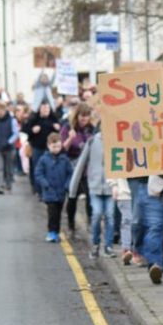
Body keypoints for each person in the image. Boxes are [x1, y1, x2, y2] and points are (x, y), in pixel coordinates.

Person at [71, 128, 115, 259]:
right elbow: (81, 164)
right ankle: (95, 245)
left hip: (111, 187)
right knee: (96, 214)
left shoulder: (116, 140)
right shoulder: (92, 141)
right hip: (95, 187)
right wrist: (73, 190)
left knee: (110, 216)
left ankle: (108, 246)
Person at [61, 102, 95, 238]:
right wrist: (70, 138)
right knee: (72, 197)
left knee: (90, 195)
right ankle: (71, 226)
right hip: (72, 167)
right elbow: (63, 148)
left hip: (87, 167)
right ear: (77, 115)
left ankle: (90, 224)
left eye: (86, 116)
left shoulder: (91, 129)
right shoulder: (68, 127)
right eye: (82, 116)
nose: (84, 119)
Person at [35, 133, 74, 243]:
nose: (56, 149)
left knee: (58, 213)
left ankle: (56, 232)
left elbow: (70, 173)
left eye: (58, 146)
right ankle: (51, 232)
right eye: (54, 146)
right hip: (49, 191)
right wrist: (45, 184)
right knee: (52, 213)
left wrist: (67, 185)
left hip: (61, 191)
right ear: (48, 146)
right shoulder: (43, 159)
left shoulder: (64, 159)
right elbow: (38, 173)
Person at [24, 101, 62, 197]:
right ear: (40, 109)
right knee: (38, 169)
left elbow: (61, 131)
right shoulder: (34, 119)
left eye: (47, 108)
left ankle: (49, 189)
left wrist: (58, 128)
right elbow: (25, 129)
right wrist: (32, 130)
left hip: (50, 149)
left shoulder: (54, 119)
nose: (45, 110)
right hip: (37, 148)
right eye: (43, 108)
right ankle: (38, 190)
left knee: (50, 169)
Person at [0, 101, 20, 194]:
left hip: (9, 148)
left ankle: (8, 184)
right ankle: (0, 186)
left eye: (0, 110)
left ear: (4, 110)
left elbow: (16, 133)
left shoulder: (12, 120)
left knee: (9, 167)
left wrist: (9, 142)